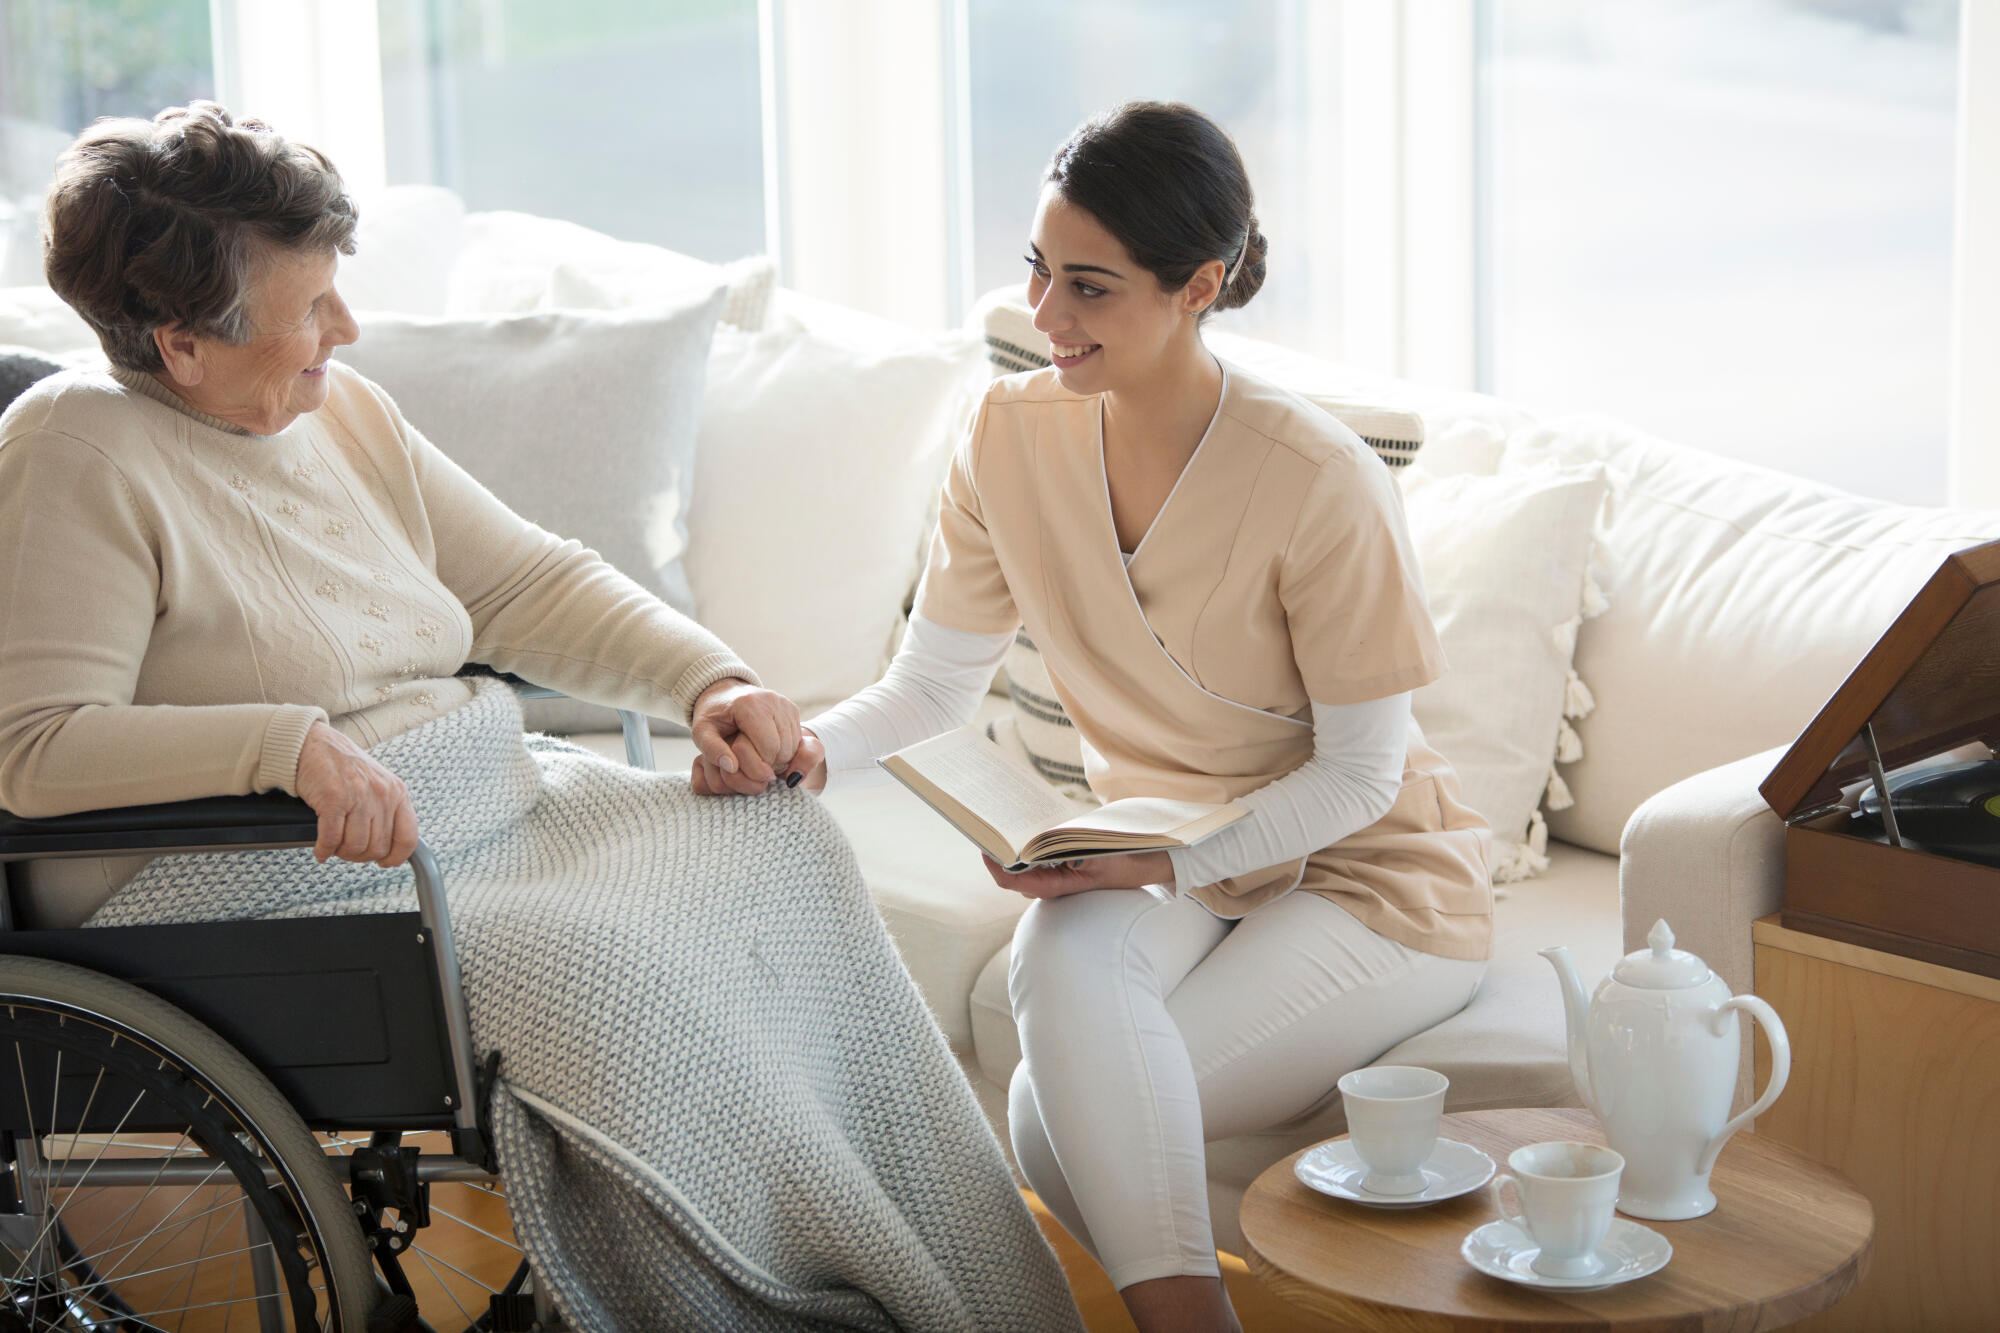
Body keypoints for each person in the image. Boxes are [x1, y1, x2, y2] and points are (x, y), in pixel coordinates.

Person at [0, 102, 1082, 1332]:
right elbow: (33, 748)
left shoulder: (339, 412)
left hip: (460, 810)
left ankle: (951, 1293)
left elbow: (518, 580)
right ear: (180, 344)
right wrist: (281, 745)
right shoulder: (73, 451)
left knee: (774, 844)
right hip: (262, 881)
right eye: (310, 311)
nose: (343, 332)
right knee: (613, 975)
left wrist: (708, 681)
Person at [709, 102, 1494, 1333]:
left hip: (1368, 876)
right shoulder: (1006, 435)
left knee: (1047, 1110)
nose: (1044, 316)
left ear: (1198, 286)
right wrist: (806, 750)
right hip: (1169, 845)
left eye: (1088, 286)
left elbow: (1357, 777)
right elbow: (930, 687)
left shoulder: (1316, 480)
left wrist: (1163, 858)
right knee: (1058, 965)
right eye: (1035, 267)